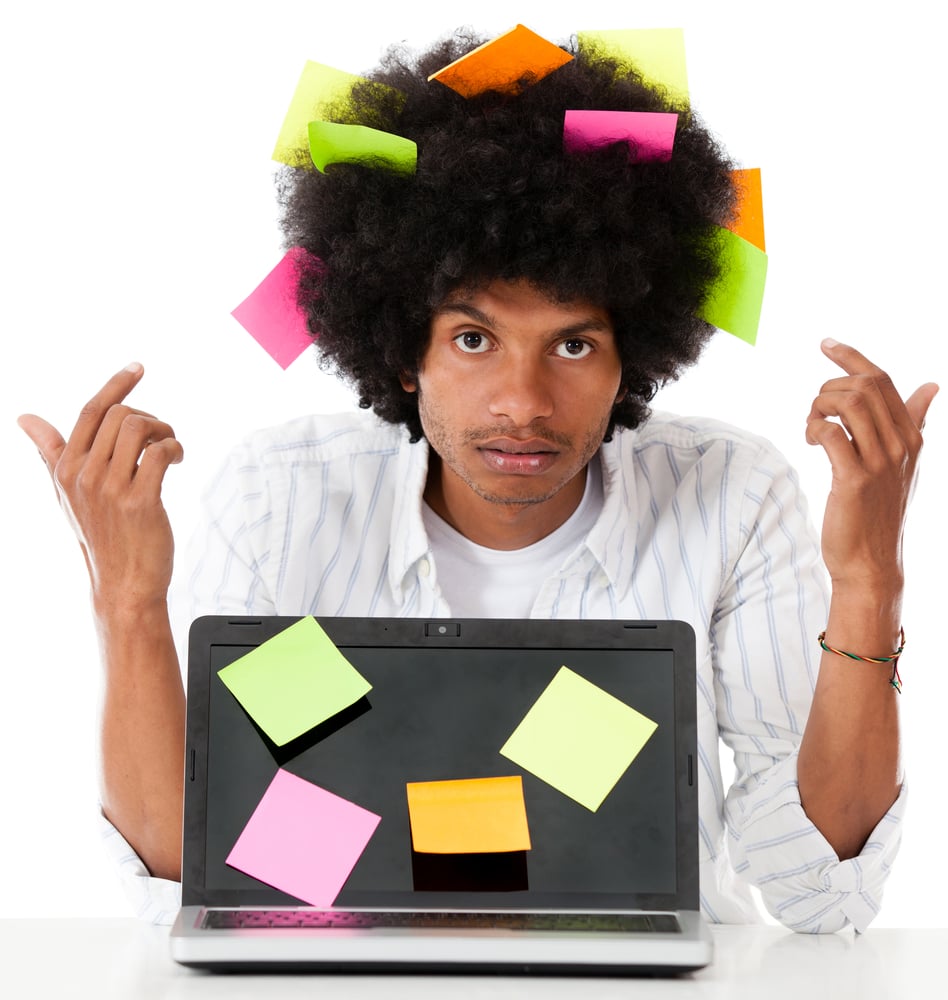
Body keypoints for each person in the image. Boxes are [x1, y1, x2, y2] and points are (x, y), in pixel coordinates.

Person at [17, 29, 937, 932]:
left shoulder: (732, 496)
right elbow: (193, 883)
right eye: (473, 338)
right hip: (340, 968)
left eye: (573, 344)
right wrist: (129, 603)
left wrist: (870, 583)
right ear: (402, 352)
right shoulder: (280, 498)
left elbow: (820, 892)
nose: (521, 402)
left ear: (636, 361)